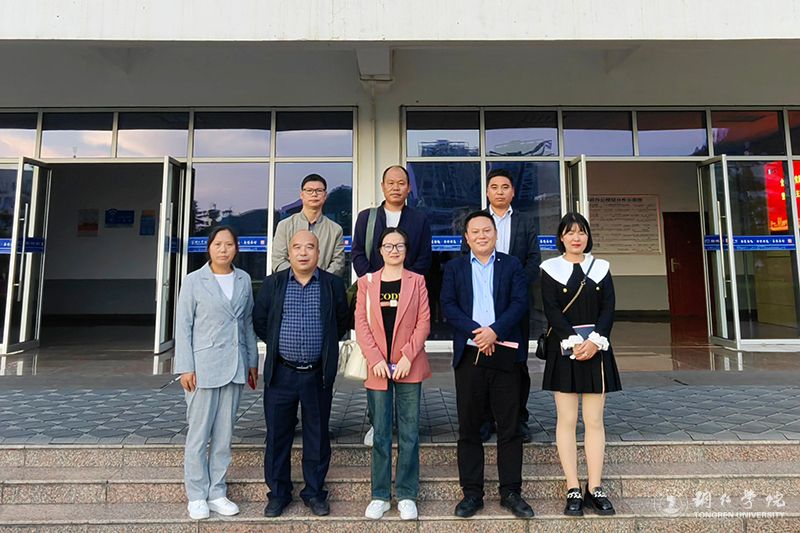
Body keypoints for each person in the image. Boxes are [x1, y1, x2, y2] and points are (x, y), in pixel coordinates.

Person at [440, 211, 534, 519]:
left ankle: (511, 492)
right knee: (469, 427)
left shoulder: (512, 264)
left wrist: (495, 331)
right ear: (466, 238)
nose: (481, 236)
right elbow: (448, 305)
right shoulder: (454, 267)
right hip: (470, 354)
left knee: (509, 426)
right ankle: (472, 493)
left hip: (504, 352)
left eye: (487, 230)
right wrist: (477, 333)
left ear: (495, 234)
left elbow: (520, 303)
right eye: (475, 232)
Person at [253, 230, 349, 518]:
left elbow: (341, 323)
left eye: (310, 247)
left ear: (318, 253)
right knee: (277, 435)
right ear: (289, 253)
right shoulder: (273, 283)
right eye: (297, 247)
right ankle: (278, 493)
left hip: (317, 375)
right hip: (281, 373)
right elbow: (260, 321)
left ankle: (314, 492)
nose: (303, 252)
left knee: (317, 436)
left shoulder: (332, 284)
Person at [174, 225, 259, 520]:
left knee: (224, 435)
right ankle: (197, 494)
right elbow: (183, 326)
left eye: (229, 244)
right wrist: (185, 367)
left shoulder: (243, 279)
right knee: (199, 435)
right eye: (218, 244)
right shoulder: (193, 280)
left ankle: (217, 492)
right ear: (209, 247)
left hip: (235, 365)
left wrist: (252, 362)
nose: (223, 249)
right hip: (203, 367)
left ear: (236, 248)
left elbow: (247, 323)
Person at [540, 212, 621, 517]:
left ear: (588, 237)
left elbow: (609, 308)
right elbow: (551, 310)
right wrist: (573, 341)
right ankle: (572, 486)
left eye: (582, 232)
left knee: (595, 420)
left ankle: (595, 487)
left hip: (596, 350)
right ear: (561, 237)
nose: (577, 238)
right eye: (570, 232)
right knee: (567, 419)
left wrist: (595, 341)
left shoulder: (601, 268)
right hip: (564, 350)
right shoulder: (549, 269)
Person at [355, 228, 431, 521]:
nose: (394, 250)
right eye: (388, 246)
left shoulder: (417, 281)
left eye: (399, 245)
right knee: (381, 434)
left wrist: (408, 356)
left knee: (409, 433)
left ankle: (407, 494)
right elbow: (361, 323)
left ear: (406, 249)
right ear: (380, 250)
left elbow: (424, 322)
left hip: (408, 365)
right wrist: (374, 358)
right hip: (378, 367)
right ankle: (380, 495)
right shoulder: (367, 282)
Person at [463, 168, 541, 443]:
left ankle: (517, 419)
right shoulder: (477, 221)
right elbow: (465, 258)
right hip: (482, 301)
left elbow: (533, 259)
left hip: (515, 304)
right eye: (494, 187)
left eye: (505, 187)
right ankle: (485, 419)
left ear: (513, 192)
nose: (499, 191)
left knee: (517, 363)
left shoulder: (525, 222)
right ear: (487, 192)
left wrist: (514, 286)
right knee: (482, 362)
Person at [352, 165, 432, 276]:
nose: (395, 188)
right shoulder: (366, 218)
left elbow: (424, 257)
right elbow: (358, 254)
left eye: (401, 183)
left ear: (409, 187)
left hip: (409, 284)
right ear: (382, 186)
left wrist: (406, 280)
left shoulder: (419, 220)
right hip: (373, 283)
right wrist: (374, 279)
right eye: (390, 183)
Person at [271, 173, 346, 278]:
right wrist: (299, 279)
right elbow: (278, 260)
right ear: (302, 195)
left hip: (323, 285)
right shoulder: (284, 226)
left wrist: (318, 280)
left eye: (319, 191)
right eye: (309, 190)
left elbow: (338, 263)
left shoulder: (335, 230)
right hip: (289, 284)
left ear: (325, 195)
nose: (314, 194)